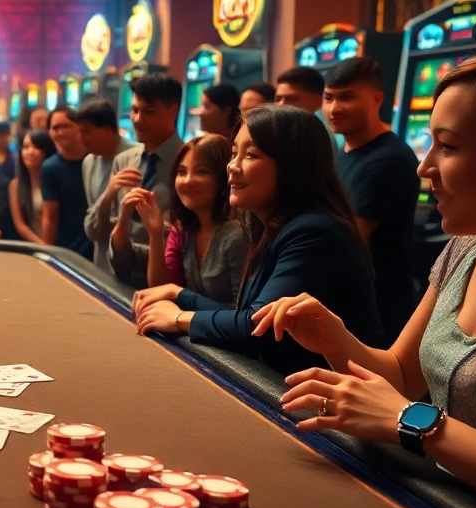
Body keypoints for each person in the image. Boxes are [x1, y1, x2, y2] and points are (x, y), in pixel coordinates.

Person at [254, 35, 476, 508]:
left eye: (447, 147)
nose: (423, 166)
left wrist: (414, 423)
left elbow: (407, 408)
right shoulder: (465, 250)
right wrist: (336, 339)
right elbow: (402, 376)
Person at [132, 104, 384, 375]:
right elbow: (249, 314)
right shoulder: (273, 225)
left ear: (292, 164)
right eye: (233, 153)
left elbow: (257, 328)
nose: (232, 166)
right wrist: (178, 293)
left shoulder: (314, 232)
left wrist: (180, 317)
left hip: (328, 401)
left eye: (250, 155)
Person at [324, 57, 421, 343]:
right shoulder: (347, 150)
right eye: (328, 97)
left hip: (377, 307)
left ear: (376, 99)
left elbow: (347, 240)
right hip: (353, 299)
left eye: (347, 98)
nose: (333, 108)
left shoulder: (387, 159)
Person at [123, 134, 247, 313]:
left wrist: (179, 295)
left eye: (201, 171)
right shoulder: (184, 228)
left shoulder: (236, 234)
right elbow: (161, 290)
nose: (188, 181)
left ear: (224, 177)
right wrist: (155, 234)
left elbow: (243, 317)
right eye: (182, 172)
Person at [92, 73, 186, 286]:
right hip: (117, 276)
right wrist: (109, 195)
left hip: (164, 282)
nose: (137, 119)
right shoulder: (124, 160)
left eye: (148, 111)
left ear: (173, 111)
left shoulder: (188, 163)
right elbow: (96, 230)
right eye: (134, 110)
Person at [76, 99, 135, 252]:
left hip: (128, 255)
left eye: (86, 132)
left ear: (107, 129)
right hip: (100, 255)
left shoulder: (135, 157)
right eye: (79, 132)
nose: (81, 139)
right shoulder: (88, 162)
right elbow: (92, 222)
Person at [41, 106, 93, 257]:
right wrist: (48, 253)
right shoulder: (50, 168)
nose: (60, 132)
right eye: (54, 128)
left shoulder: (97, 159)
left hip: (97, 243)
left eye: (65, 126)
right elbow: (50, 217)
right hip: (66, 247)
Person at [276, 66, 338, 154]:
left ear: (319, 100)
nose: (281, 105)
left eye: (292, 99)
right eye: (277, 99)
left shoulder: (315, 134)